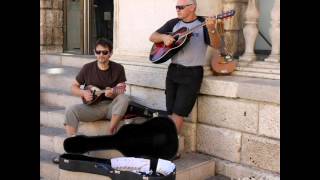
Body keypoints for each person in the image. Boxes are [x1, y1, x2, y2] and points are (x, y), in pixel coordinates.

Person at [149, 0, 221, 134]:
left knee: (178, 112)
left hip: (192, 73)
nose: (177, 10)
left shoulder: (203, 23)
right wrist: (164, 37)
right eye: (176, 7)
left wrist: (212, 28)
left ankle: (171, 149)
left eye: (180, 7)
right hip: (173, 70)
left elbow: (216, 45)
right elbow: (152, 37)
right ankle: (172, 144)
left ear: (192, 7)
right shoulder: (173, 23)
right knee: (170, 110)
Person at [52, 38, 129, 163]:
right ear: (94, 53)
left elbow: (122, 88)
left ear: (110, 53)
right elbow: (73, 87)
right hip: (92, 108)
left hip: (111, 107)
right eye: (98, 52)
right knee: (71, 110)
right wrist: (83, 92)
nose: (101, 55)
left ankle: (111, 130)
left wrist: (113, 93)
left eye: (104, 52)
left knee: (124, 98)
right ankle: (73, 146)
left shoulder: (118, 68)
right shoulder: (87, 68)